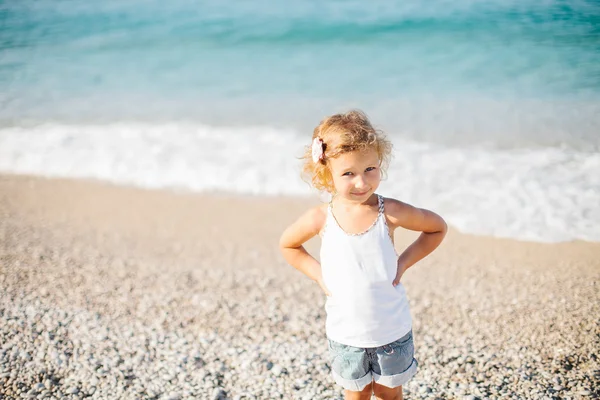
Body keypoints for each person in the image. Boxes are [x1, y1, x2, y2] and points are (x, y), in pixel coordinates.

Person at [279, 110, 447, 400]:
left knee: (389, 394)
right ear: (326, 174)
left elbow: (436, 228)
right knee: (355, 396)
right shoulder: (320, 218)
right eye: (348, 173)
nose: (362, 183)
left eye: (370, 169)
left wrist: (403, 262)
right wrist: (319, 274)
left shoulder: (389, 212)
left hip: (391, 330)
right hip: (346, 335)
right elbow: (288, 245)